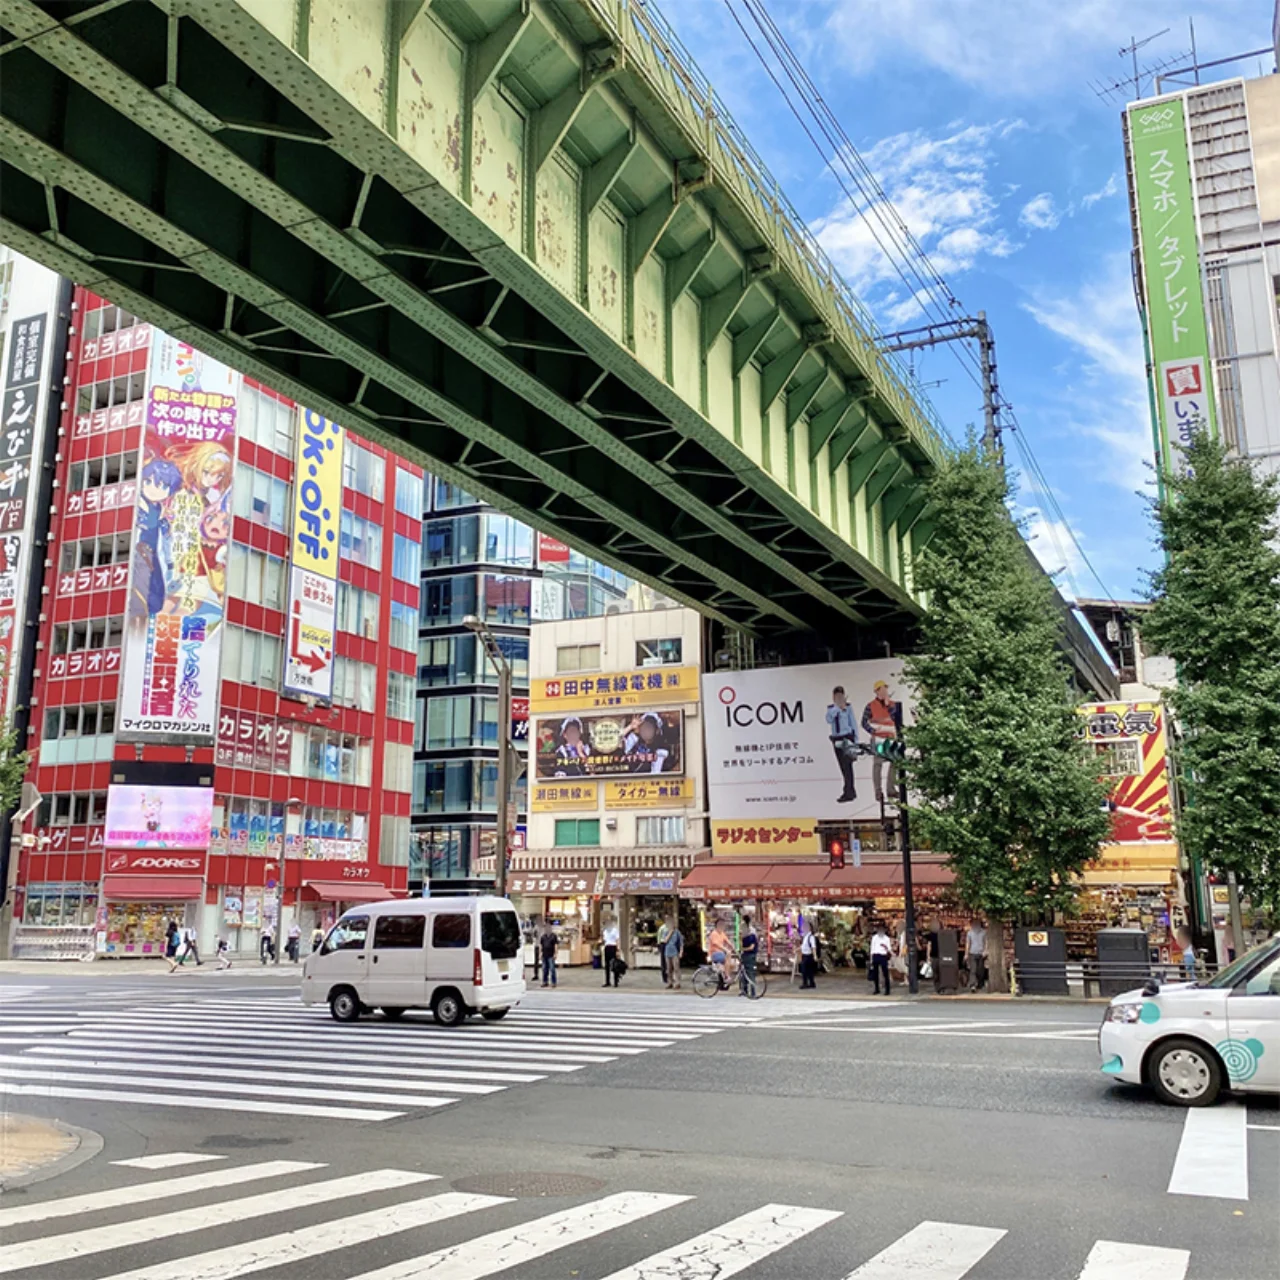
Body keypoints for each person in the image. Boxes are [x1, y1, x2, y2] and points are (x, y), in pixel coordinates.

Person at [861, 679, 904, 804]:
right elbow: (864, 722)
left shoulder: (893, 705)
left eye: (886, 688)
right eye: (882, 689)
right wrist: (872, 731)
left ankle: (891, 789)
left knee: (896, 762)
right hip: (879, 739)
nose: (885, 691)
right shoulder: (870, 706)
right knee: (877, 765)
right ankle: (878, 792)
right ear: (877, 691)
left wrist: (887, 704)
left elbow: (896, 719)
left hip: (890, 738)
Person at [825, 686, 858, 804]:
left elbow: (853, 724)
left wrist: (856, 742)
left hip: (847, 738)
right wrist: (838, 708)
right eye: (837, 696)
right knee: (842, 767)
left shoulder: (848, 708)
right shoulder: (831, 709)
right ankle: (850, 791)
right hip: (836, 739)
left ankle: (848, 792)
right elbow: (828, 719)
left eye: (841, 696)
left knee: (848, 765)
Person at [869, 923, 893, 995]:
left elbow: (889, 948)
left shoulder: (887, 939)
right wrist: (871, 959)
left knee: (885, 973)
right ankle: (876, 988)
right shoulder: (874, 938)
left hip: (883, 955)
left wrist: (886, 948)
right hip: (876, 955)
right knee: (875, 973)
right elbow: (872, 948)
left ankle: (887, 989)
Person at [965, 917, 988, 991]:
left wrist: (985, 950)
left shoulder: (983, 932)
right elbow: (968, 943)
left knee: (980, 970)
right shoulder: (970, 933)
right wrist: (966, 953)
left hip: (981, 953)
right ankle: (973, 985)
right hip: (972, 952)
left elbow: (986, 942)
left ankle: (980, 984)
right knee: (973, 970)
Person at [708, 920, 733, 986]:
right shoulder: (714, 933)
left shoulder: (722, 933)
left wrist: (733, 948)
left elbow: (727, 941)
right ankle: (727, 976)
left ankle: (725, 974)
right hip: (715, 954)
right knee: (728, 955)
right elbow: (716, 944)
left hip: (721, 953)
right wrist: (725, 949)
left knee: (731, 960)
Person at [739, 919, 759, 994]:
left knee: (750, 973)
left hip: (749, 956)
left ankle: (752, 991)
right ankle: (744, 990)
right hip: (745, 955)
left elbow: (751, 947)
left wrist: (742, 949)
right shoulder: (744, 937)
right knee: (744, 973)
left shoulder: (751, 936)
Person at [664, 921, 684, 989]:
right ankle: (670, 982)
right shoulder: (666, 932)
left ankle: (677, 983)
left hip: (675, 952)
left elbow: (681, 943)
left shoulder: (677, 932)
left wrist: (681, 952)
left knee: (676, 968)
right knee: (669, 968)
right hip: (667, 952)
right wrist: (670, 932)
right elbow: (665, 940)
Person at [602, 919, 621, 987]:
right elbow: (604, 940)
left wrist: (618, 950)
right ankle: (607, 981)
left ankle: (616, 981)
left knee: (614, 965)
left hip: (613, 947)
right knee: (607, 965)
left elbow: (617, 940)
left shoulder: (615, 930)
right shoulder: (605, 931)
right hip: (607, 947)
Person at [657, 918, 672, 986]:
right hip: (663, 944)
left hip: (670, 944)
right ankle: (665, 977)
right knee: (663, 961)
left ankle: (670, 977)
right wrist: (659, 945)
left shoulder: (671, 928)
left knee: (669, 961)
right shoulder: (662, 928)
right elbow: (659, 937)